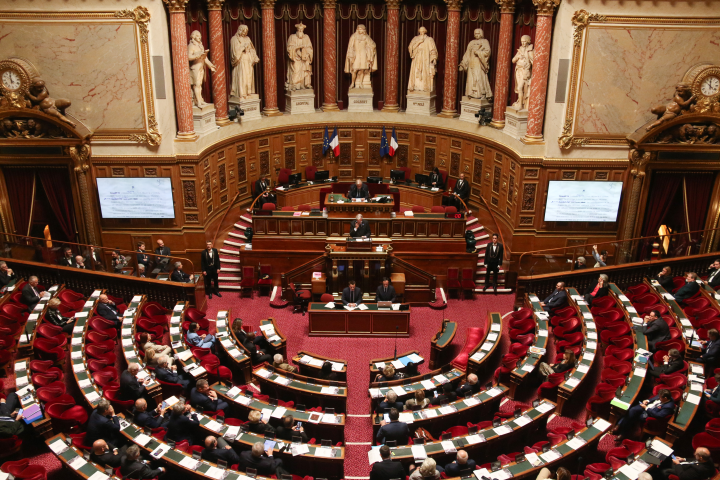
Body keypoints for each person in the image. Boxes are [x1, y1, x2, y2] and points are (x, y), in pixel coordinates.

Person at [648, 447, 714, 480]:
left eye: (696, 454)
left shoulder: (697, 470)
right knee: (669, 457)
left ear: (701, 457)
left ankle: (653, 472)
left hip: (682, 470)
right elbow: (695, 460)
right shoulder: (707, 459)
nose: (694, 454)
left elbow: (683, 476)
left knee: (663, 471)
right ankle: (651, 458)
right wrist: (683, 459)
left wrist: (677, 464)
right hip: (684, 465)